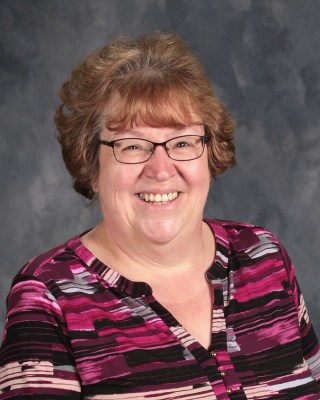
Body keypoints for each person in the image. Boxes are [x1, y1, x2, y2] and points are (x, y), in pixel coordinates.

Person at [0, 32, 319, 400]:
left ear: (209, 152)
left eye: (182, 142)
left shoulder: (264, 258)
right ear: (91, 165)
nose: (161, 168)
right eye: (132, 145)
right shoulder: (48, 298)